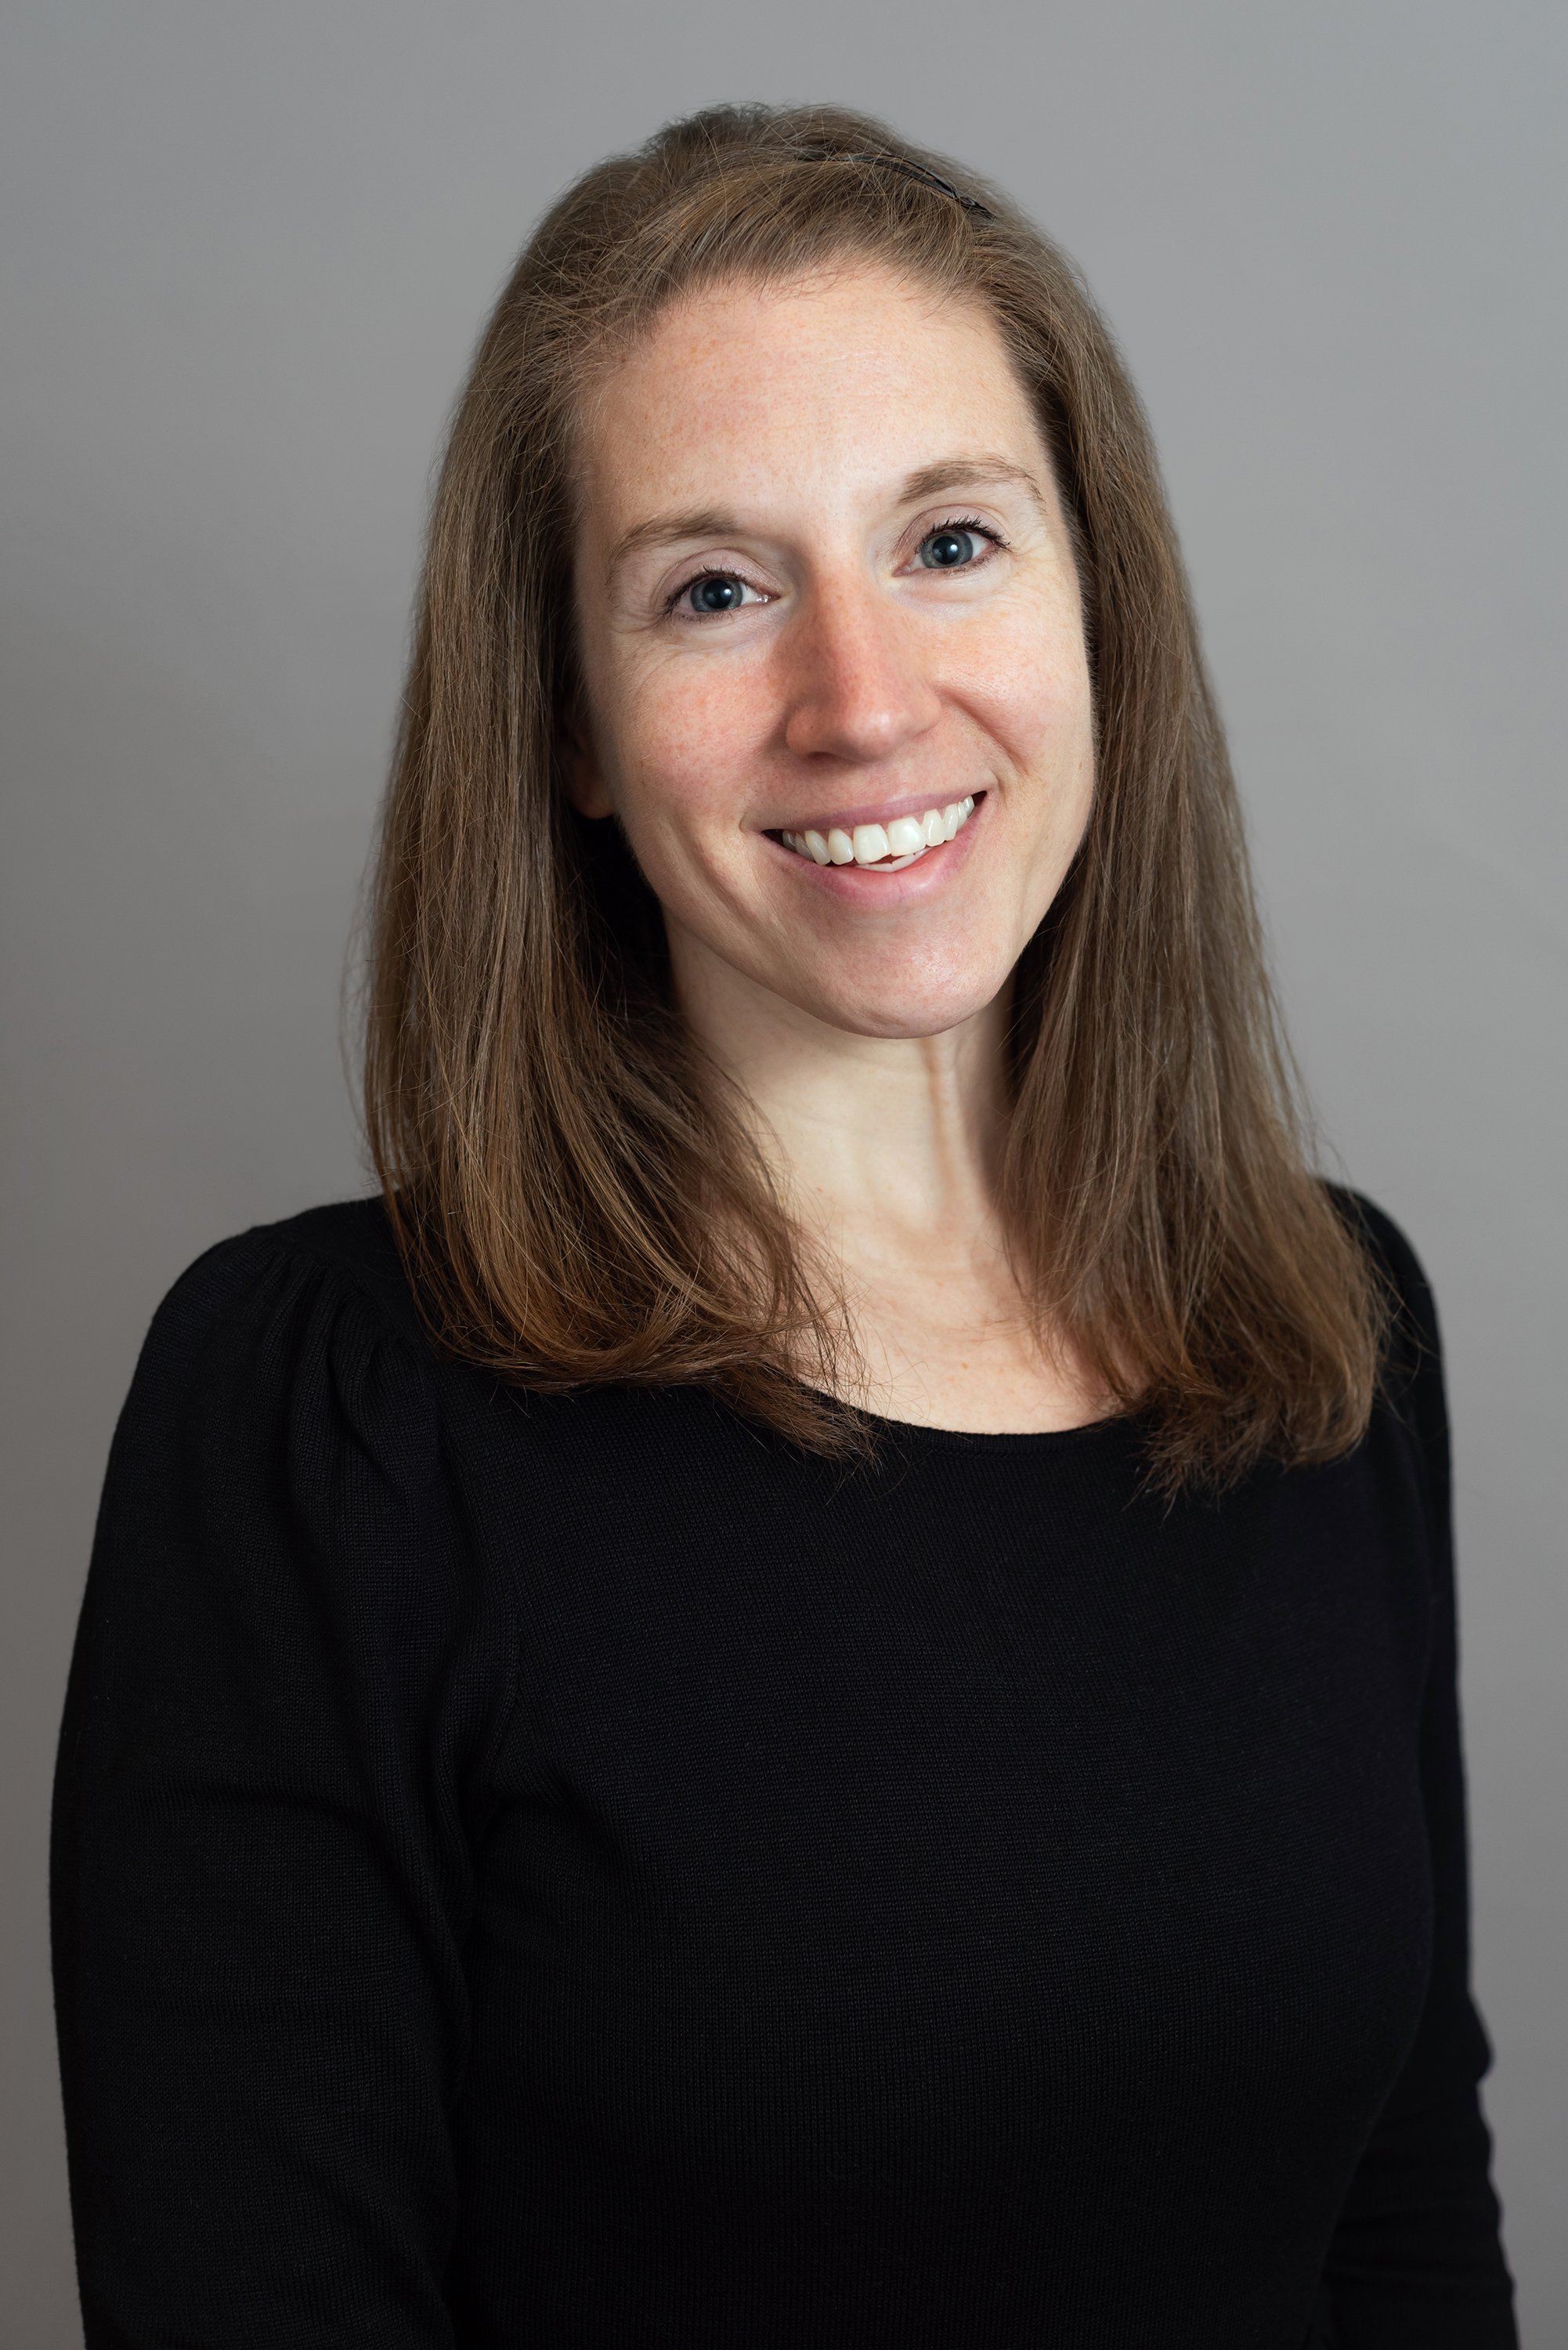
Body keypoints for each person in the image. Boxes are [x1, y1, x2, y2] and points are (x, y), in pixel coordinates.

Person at [50, 103, 1517, 2349]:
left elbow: (1400, 2203)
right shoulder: (331, 1419)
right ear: (564, 720)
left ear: (1094, 601)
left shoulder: (1327, 1327)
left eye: (947, 541)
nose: (859, 700)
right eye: (713, 590)